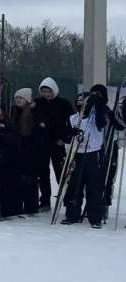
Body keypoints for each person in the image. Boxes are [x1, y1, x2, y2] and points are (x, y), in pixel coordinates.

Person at [62, 87, 108, 228]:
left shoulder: (96, 117)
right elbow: (66, 136)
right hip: (77, 154)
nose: (81, 104)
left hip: (93, 154)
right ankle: (72, 214)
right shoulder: (73, 118)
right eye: (79, 102)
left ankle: (95, 217)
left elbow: (102, 123)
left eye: (84, 102)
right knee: (75, 185)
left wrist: (98, 103)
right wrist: (71, 133)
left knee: (94, 187)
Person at [33, 77, 74, 210]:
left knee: (60, 172)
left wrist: (65, 138)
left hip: (57, 143)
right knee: (43, 173)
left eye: (49, 91)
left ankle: (67, 200)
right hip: (42, 144)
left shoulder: (64, 104)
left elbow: (71, 123)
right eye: (44, 91)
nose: (46, 94)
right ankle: (45, 200)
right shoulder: (37, 103)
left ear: (54, 90)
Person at [13, 89, 39, 215]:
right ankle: (18, 204)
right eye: (16, 97)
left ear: (27, 100)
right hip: (17, 148)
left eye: (21, 98)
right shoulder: (14, 111)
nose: (18, 100)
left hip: (29, 148)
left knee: (29, 178)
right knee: (18, 178)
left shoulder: (31, 112)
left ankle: (30, 206)